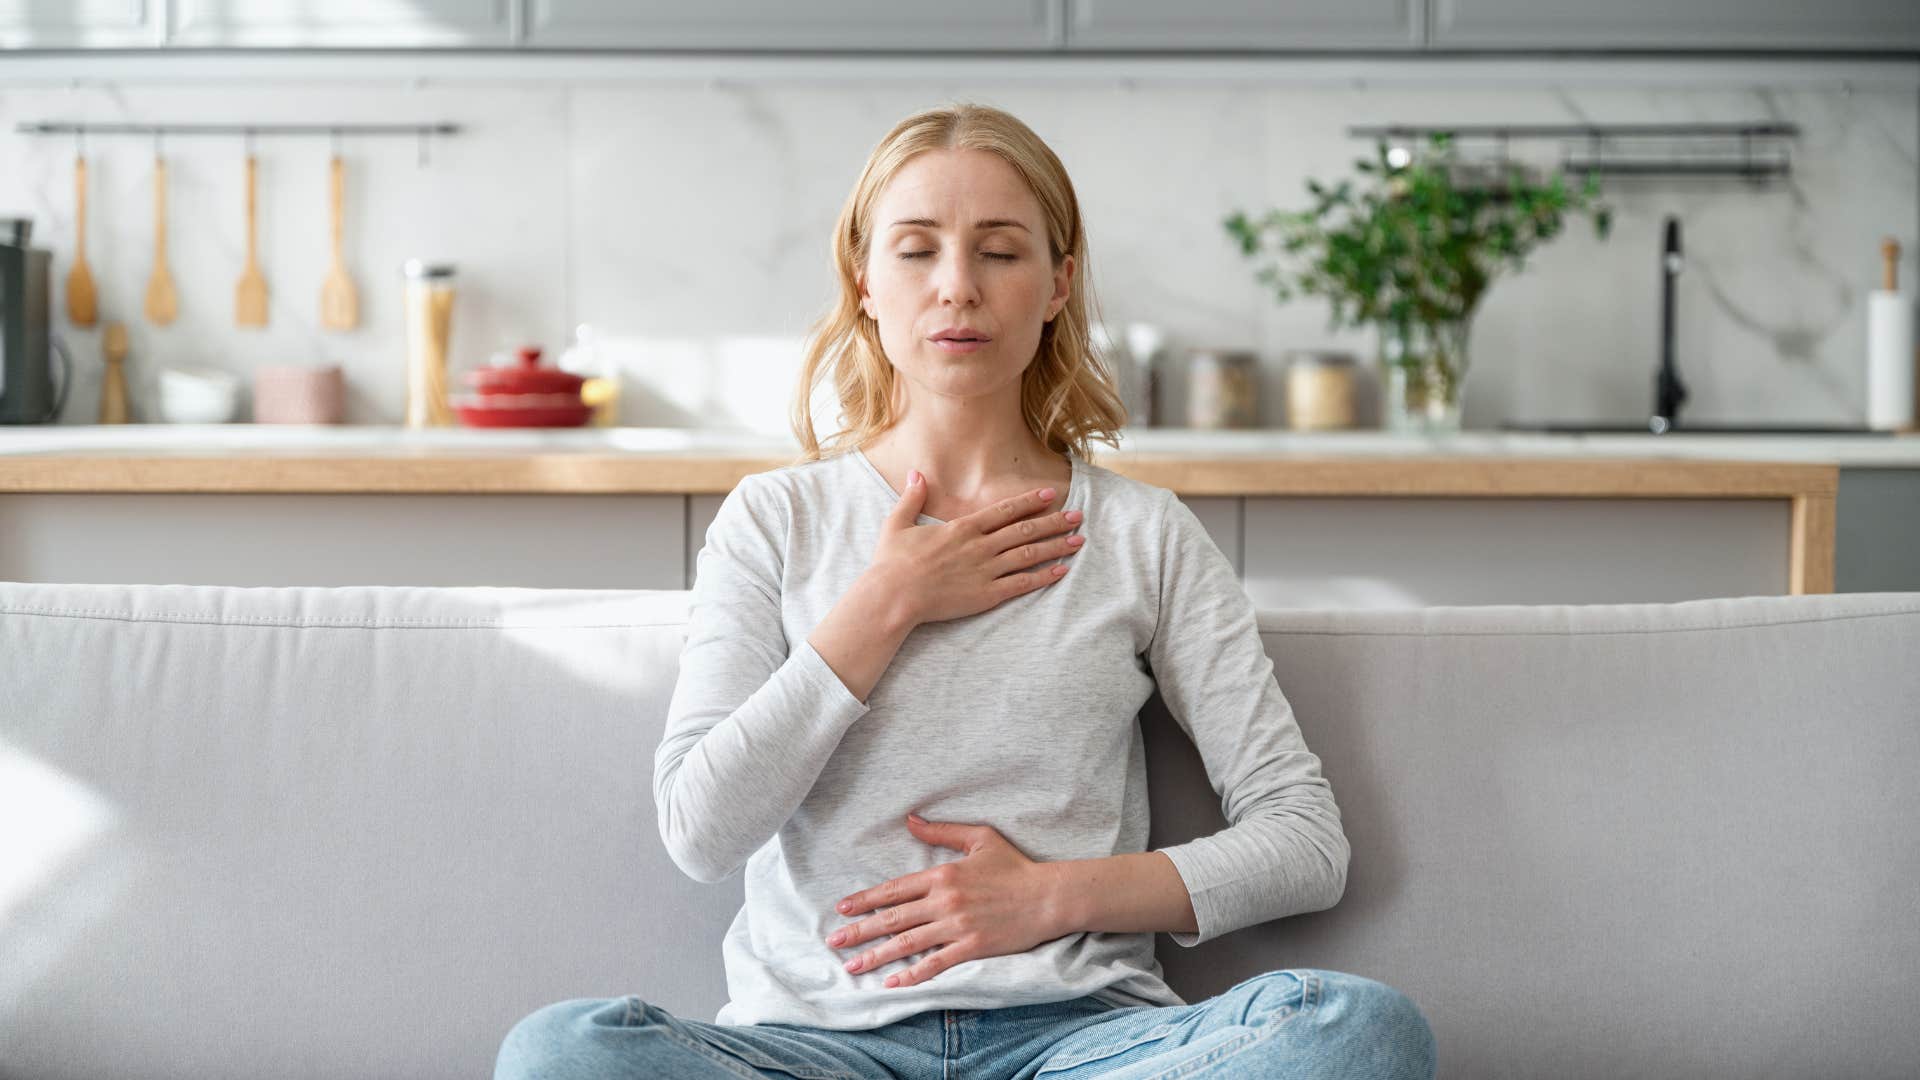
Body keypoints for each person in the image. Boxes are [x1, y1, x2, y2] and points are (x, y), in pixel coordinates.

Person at [496, 102, 1437, 1080]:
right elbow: (701, 831)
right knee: (558, 1054)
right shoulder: (773, 522)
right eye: (915, 251)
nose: (956, 287)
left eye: (999, 251)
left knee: (1360, 1031)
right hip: (814, 1051)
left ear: (1058, 283)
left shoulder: (1142, 535)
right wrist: (885, 604)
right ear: (865, 281)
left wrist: (1054, 897)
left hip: (1083, 1044)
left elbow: (1303, 842)